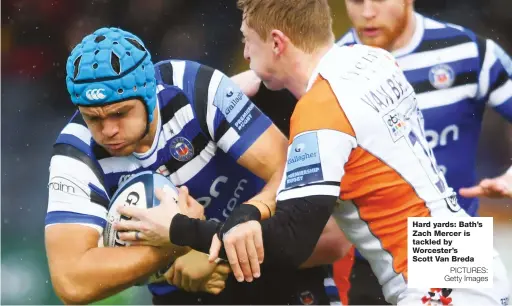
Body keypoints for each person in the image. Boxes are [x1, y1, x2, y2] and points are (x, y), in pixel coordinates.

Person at [112, 0, 510, 305]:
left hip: (432, 282)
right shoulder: (371, 58)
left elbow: (290, 242)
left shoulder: (320, 113)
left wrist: (179, 230)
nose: (246, 54)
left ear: (277, 42)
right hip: (462, 251)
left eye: (248, 40)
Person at [230, 0, 512, 303]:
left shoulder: (468, 51)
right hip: (368, 255)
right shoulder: (351, 58)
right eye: (356, 1)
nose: (367, 12)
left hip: (450, 243)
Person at [44, 27, 349, 305]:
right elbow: (71, 282)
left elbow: (287, 170)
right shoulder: (75, 153)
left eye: (120, 113)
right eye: (93, 118)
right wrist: (176, 248)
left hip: (275, 269)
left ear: (150, 94)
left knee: (330, 233)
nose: (108, 130)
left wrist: (209, 244)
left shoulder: (195, 87)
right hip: (188, 293)